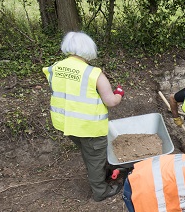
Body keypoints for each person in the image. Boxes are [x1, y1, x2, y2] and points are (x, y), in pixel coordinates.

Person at [43, 31, 124, 202]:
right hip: (89, 125)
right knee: (95, 156)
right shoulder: (93, 73)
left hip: (66, 123)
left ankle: (104, 173)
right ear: (89, 49)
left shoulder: (55, 68)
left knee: (88, 152)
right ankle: (101, 190)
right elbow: (110, 101)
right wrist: (119, 94)